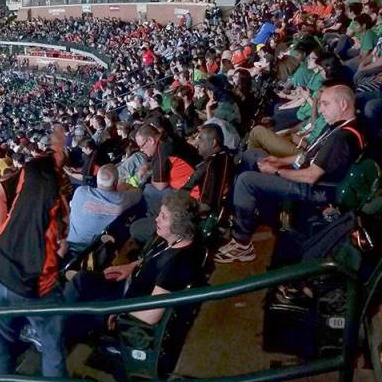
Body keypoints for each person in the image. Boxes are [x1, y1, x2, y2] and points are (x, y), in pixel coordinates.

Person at [215, 85, 364, 263]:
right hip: (304, 174)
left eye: (325, 104)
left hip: (315, 191)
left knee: (246, 180)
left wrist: (276, 170)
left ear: (343, 104)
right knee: (252, 155)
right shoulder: (336, 127)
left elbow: (311, 176)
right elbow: (307, 156)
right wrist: (279, 161)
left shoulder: (342, 137)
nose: (320, 108)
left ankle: (241, 243)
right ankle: (248, 209)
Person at [0, 155, 80, 382]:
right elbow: (60, 247)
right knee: (51, 344)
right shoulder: (58, 204)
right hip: (35, 288)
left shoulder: (28, 178)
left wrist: (2, 231)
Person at [62, 190, 203, 342]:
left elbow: (152, 315)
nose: (157, 219)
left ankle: (52, 330)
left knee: (80, 304)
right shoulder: (174, 239)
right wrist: (131, 266)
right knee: (82, 279)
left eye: (163, 217)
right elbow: (153, 260)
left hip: (128, 305)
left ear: (178, 225)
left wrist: (121, 310)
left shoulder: (176, 265)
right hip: (130, 286)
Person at [66, 164, 142, 259]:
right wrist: (120, 190)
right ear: (115, 183)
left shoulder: (80, 191)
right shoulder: (121, 200)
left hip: (69, 242)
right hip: (90, 250)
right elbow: (139, 193)